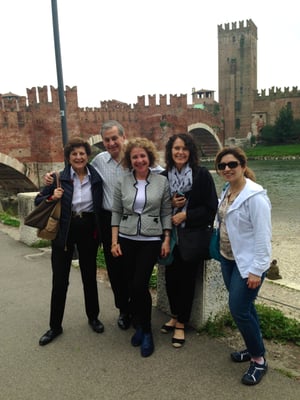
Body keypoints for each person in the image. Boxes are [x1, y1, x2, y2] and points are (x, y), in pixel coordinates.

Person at [37, 137, 104, 346]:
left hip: (88, 229)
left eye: (82, 153)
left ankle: (93, 317)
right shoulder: (59, 178)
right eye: (74, 154)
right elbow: (38, 201)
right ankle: (55, 326)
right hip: (63, 232)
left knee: (89, 277)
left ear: (87, 155)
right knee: (60, 281)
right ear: (68, 157)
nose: (78, 157)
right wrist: (52, 197)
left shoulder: (96, 177)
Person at [214, 146, 272, 385]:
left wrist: (257, 270)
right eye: (222, 166)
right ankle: (252, 347)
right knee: (246, 308)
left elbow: (263, 236)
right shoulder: (227, 190)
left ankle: (259, 360)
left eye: (232, 164)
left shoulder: (255, 196)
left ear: (243, 166)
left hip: (248, 265)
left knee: (238, 309)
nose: (227, 169)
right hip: (228, 259)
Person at [111, 137, 172, 357]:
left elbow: (166, 211)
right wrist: (114, 241)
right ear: (130, 159)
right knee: (130, 285)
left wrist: (166, 239)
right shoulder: (123, 181)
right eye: (135, 157)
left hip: (150, 240)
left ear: (149, 157)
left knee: (139, 284)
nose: (139, 160)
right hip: (126, 238)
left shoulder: (161, 182)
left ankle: (146, 331)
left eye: (142, 156)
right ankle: (140, 325)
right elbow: (116, 212)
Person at [160, 133, 218, 348]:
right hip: (170, 237)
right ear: (170, 151)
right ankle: (175, 314)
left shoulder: (201, 175)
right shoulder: (164, 176)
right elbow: (159, 207)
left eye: (184, 148)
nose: (180, 152)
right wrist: (172, 205)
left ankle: (181, 323)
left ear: (190, 151)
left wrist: (186, 215)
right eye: (176, 148)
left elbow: (211, 207)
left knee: (186, 281)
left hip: (192, 237)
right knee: (170, 279)